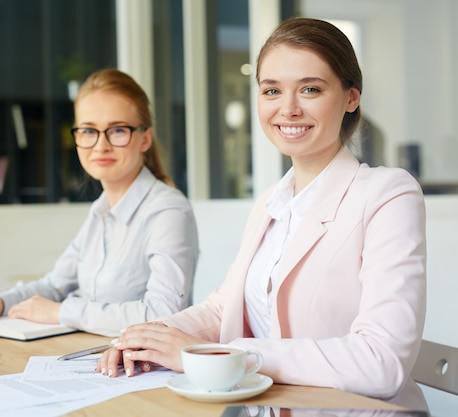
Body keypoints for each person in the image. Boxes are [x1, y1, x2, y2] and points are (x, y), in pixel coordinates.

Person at [96, 17, 427, 411]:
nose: (288, 108)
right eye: (272, 90)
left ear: (351, 97)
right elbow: (223, 306)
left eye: (310, 89)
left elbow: (381, 362)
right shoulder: (273, 201)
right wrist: (149, 336)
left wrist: (221, 354)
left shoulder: (388, 193)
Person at [0, 68, 199, 337]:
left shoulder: (168, 210)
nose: (100, 145)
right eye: (89, 131)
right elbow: (55, 285)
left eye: (117, 130)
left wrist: (62, 312)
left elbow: (163, 314)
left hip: (144, 370)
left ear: (145, 139)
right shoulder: (101, 211)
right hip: (91, 357)